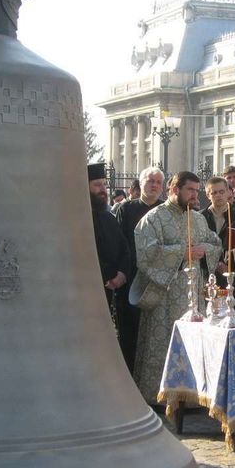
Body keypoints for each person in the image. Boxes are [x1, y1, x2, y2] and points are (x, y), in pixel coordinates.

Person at [130, 171, 222, 405]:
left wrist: (203, 249)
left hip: (193, 297)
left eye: (196, 190)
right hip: (165, 298)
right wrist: (182, 253)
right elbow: (146, 254)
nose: (195, 195)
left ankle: (191, 398)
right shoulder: (154, 218)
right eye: (190, 190)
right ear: (174, 190)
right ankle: (159, 397)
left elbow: (215, 244)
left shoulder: (199, 218)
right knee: (162, 345)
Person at [114, 166, 164, 372]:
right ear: (140, 183)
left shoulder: (165, 210)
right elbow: (119, 244)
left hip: (159, 279)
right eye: (150, 181)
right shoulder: (125, 209)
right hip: (131, 277)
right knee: (129, 329)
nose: (154, 185)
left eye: (158, 182)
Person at [87, 163, 130, 316]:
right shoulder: (77, 220)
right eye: (97, 185)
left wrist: (122, 274)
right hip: (87, 289)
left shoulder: (108, 218)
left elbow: (124, 250)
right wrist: (107, 277)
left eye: (104, 185)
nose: (103, 190)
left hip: (112, 289)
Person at [200, 176, 235, 290]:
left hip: (231, 273)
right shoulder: (200, 217)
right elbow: (197, 244)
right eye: (214, 193)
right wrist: (215, 264)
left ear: (229, 192)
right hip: (206, 273)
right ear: (208, 195)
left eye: (221, 192)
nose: (218, 195)